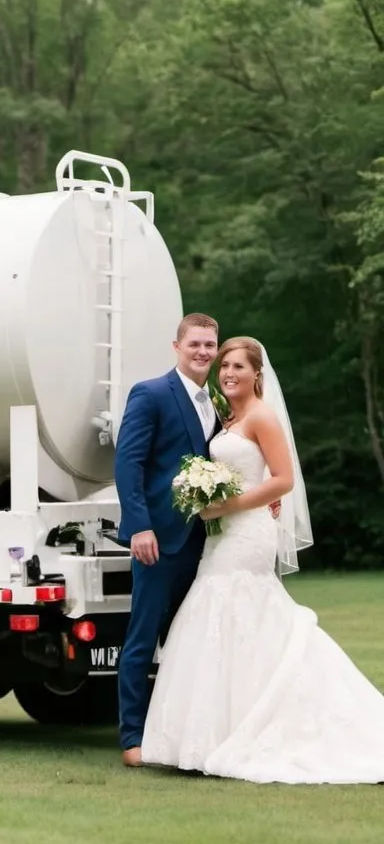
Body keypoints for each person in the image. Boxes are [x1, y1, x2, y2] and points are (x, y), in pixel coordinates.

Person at [140, 337, 384, 784]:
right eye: (224, 366)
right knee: (216, 615)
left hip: (247, 533)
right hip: (222, 534)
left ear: (257, 374)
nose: (228, 372)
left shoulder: (263, 417)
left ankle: (261, 727)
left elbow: (284, 479)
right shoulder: (228, 418)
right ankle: (212, 734)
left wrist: (230, 506)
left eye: (238, 366)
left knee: (241, 609)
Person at [113, 312, 222, 769]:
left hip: (206, 542)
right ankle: (133, 738)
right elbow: (129, 463)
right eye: (194, 344)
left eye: (210, 345)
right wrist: (139, 526)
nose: (202, 352)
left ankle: (181, 735)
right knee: (142, 639)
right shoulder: (151, 393)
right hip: (157, 540)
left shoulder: (215, 400)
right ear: (177, 346)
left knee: (190, 642)